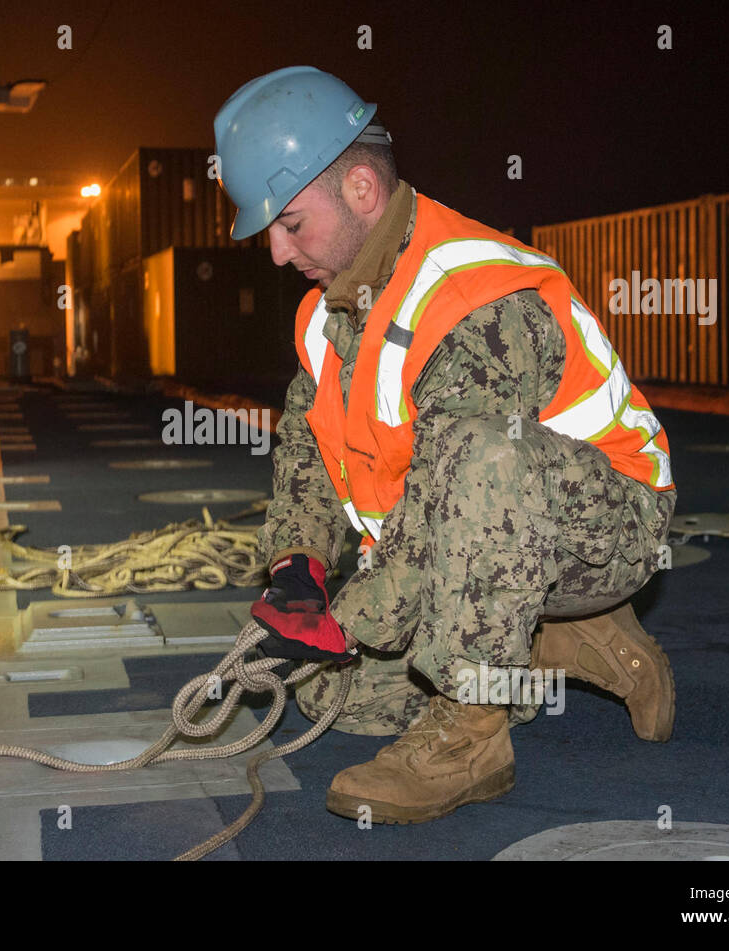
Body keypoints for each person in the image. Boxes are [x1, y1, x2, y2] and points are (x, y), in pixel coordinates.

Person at [218, 67, 677, 824]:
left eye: (290, 223)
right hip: (478, 540)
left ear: (362, 189)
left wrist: (347, 617)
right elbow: (307, 437)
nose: (274, 252)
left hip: (605, 524)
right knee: (331, 693)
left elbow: (457, 488)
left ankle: (474, 734)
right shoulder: (330, 314)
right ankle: (563, 643)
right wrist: (297, 570)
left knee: (480, 456)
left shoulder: (471, 301)